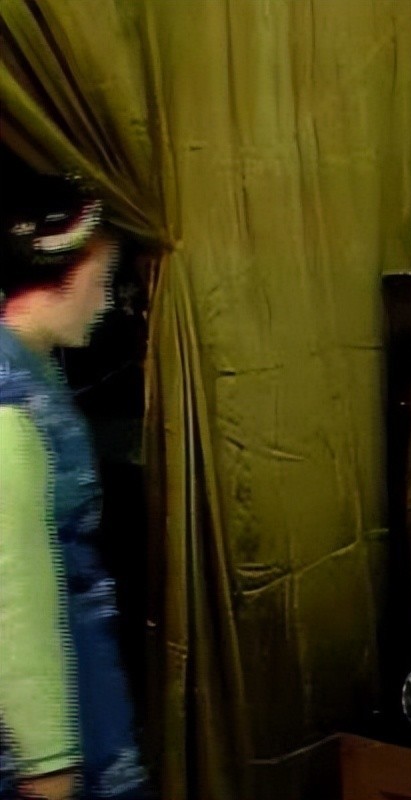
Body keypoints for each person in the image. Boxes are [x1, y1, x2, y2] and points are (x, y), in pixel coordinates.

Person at [0, 175, 148, 799]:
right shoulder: (9, 403)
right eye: (101, 278)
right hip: (42, 694)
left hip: (76, 661)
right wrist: (46, 757)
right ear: (61, 269)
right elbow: (11, 585)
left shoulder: (34, 367)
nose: (106, 300)